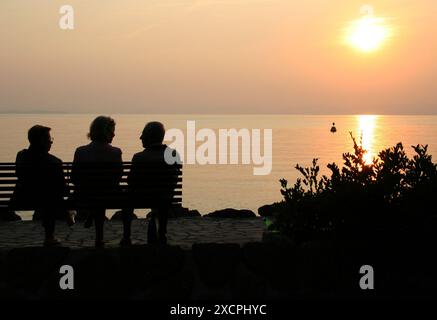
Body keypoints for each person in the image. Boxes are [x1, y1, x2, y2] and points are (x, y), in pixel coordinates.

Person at [120, 122, 181, 246]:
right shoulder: (174, 155)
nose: (140, 138)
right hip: (164, 197)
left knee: (126, 198)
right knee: (162, 198)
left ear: (149, 136)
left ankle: (126, 236)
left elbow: (130, 182)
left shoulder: (138, 157)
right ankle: (162, 233)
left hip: (141, 198)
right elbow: (174, 180)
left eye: (143, 134)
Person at [13, 125, 69, 246]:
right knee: (52, 197)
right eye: (49, 139)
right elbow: (62, 190)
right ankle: (49, 236)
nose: (51, 142)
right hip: (47, 200)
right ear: (42, 141)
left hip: (22, 198)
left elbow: (19, 174)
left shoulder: (21, 156)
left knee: (50, 196)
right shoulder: (55, 162)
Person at [71, 116, 122, 247]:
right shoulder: (116, 152)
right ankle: (118, 236)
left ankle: (92, 214)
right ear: (106, 132)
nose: (114, 134)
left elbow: (74, 178)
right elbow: (118, 177)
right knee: (102, 195)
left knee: (96, 195)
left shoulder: (80, 151)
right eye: (112, 130)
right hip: (110, 195)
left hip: (84, 195)